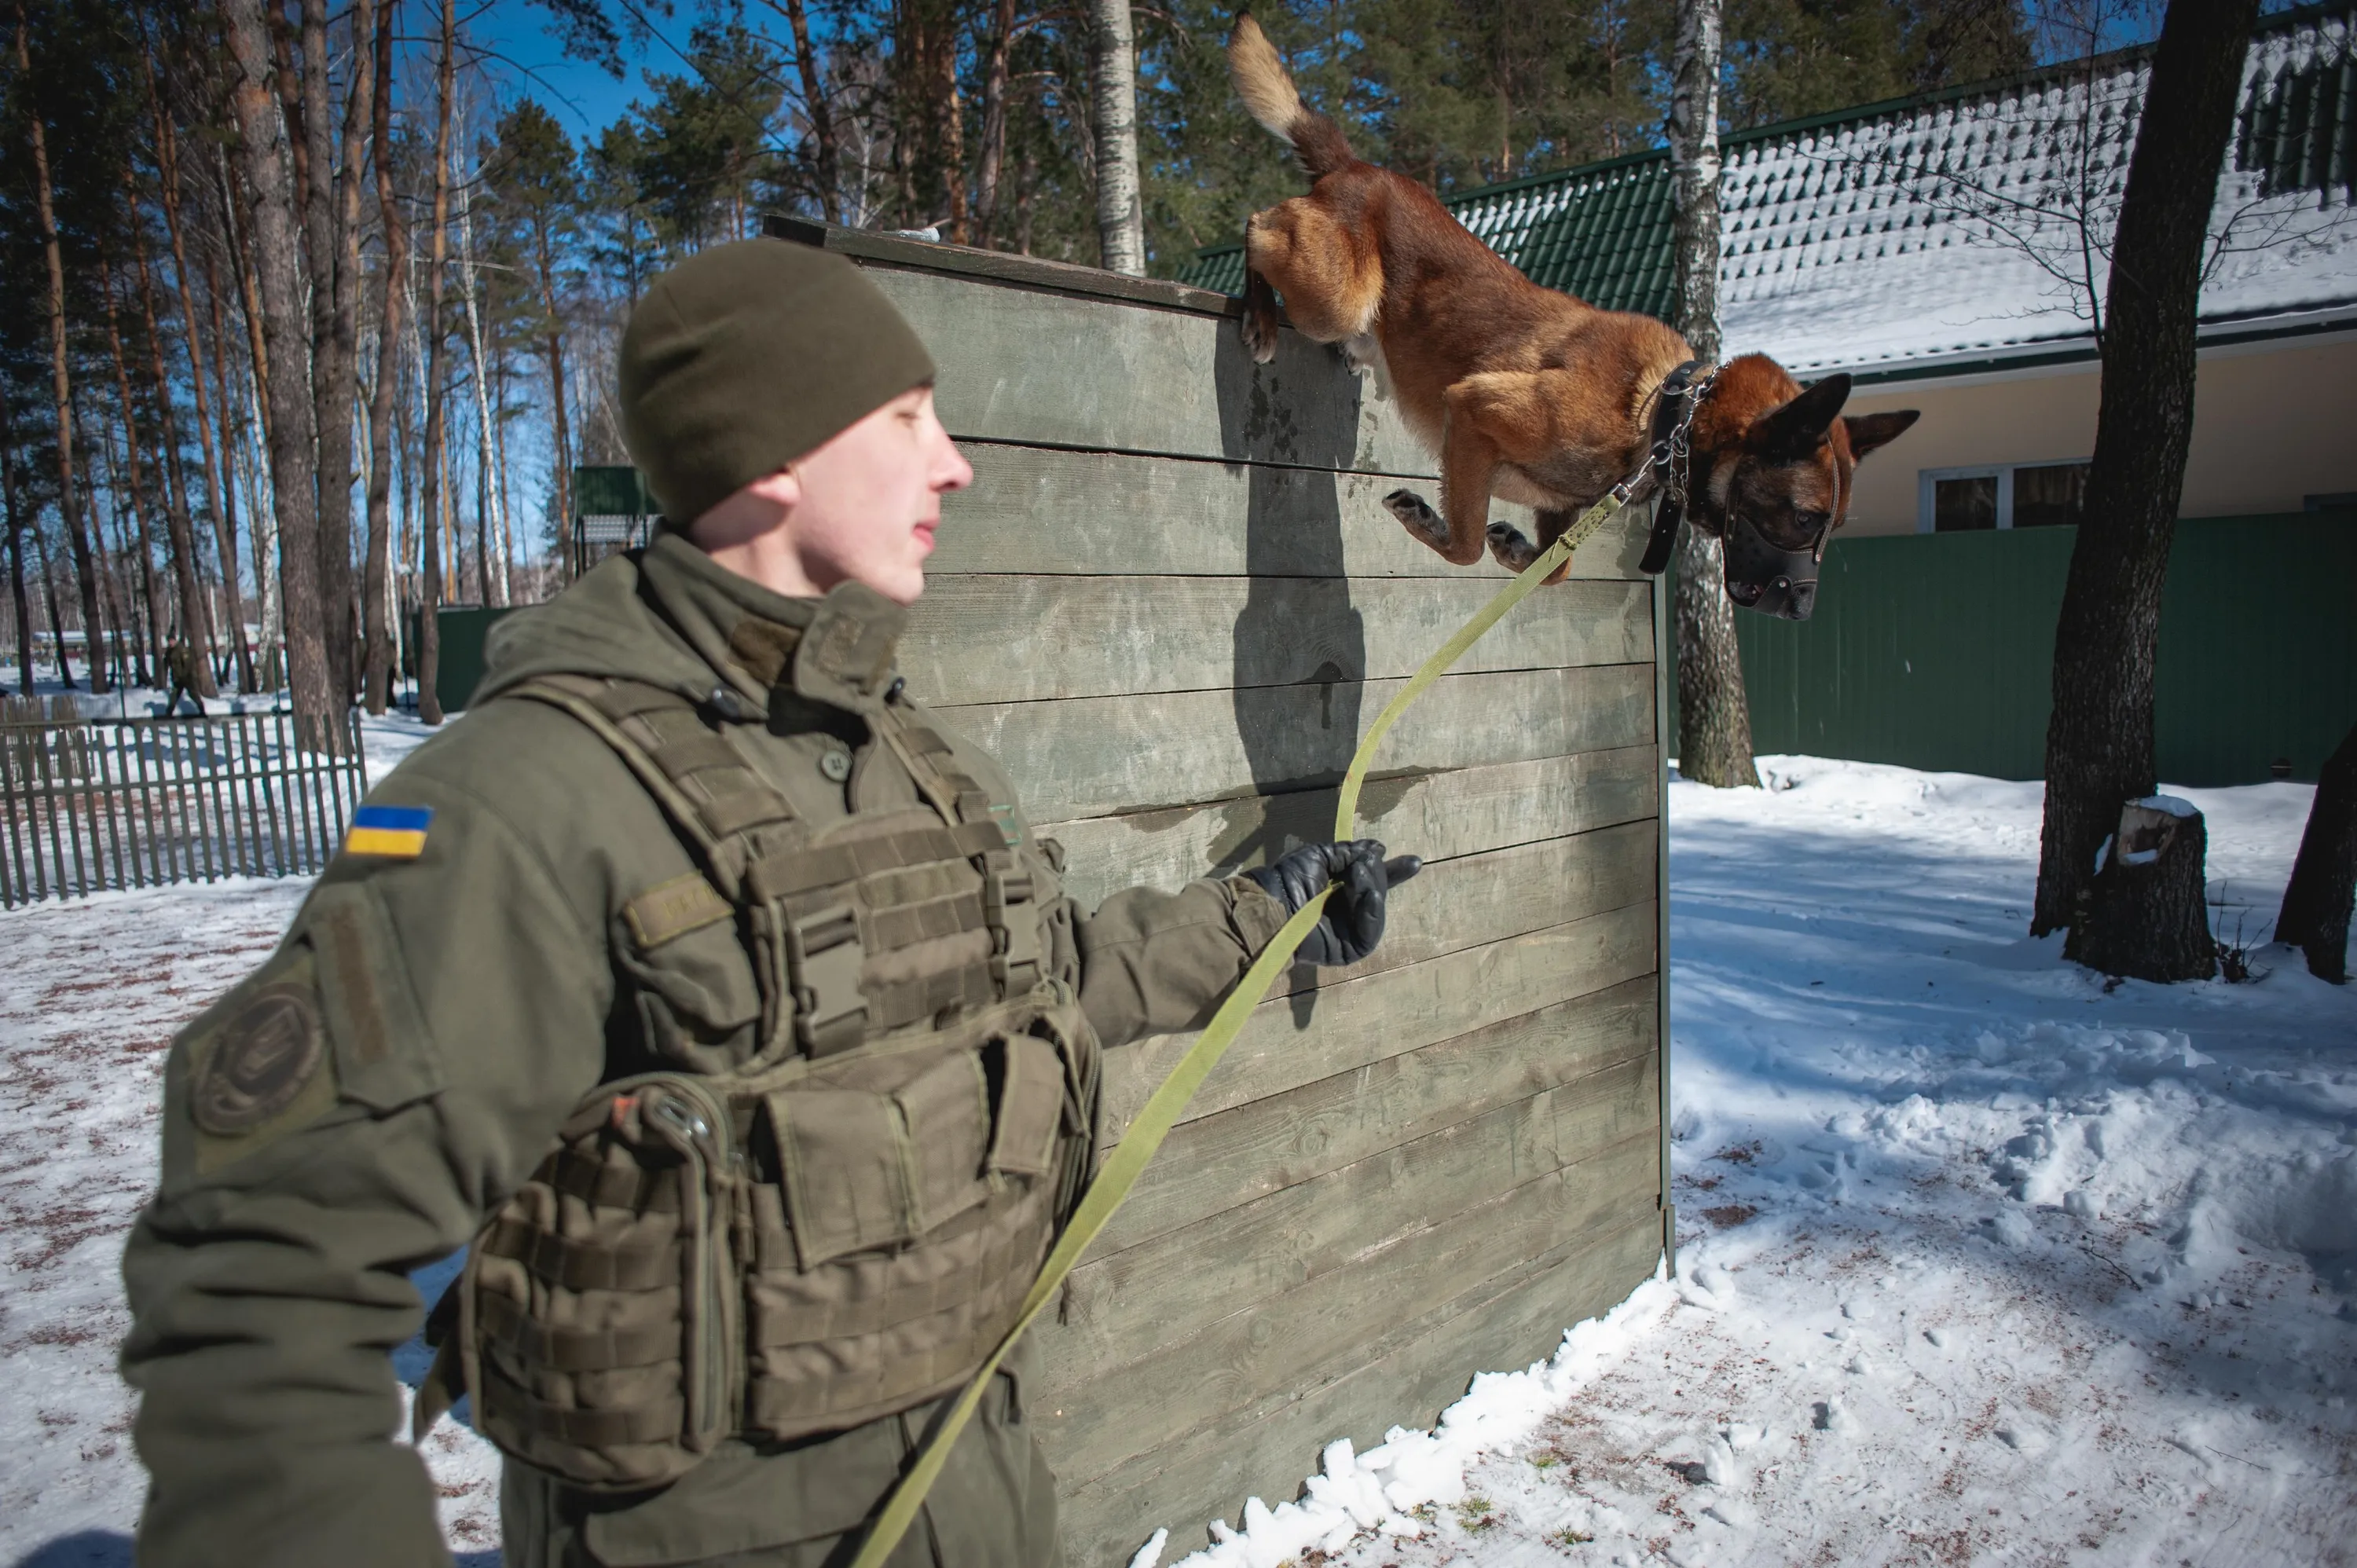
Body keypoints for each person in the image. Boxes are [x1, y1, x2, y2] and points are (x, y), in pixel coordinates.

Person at [120, 237, 1418, 1568]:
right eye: (907, 419)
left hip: (984, 1505)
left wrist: (1266, 915)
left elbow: (1044, 989)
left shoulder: (918, 756)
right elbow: (259, 1280)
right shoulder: (521, 799)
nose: (953, 464)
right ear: (776, 451)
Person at [161, 639, 205, 718]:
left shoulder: (182, 649)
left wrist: (185, 676)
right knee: (174, 696)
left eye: (172, 641)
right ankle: (169, 713)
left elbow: (188, 664)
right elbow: (166, 662)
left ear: (175, 641)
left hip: (187, 677)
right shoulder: (169, 651)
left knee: (193, 694)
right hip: (177, 678)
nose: (170, 643)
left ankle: (202, 711)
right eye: (169, 641)